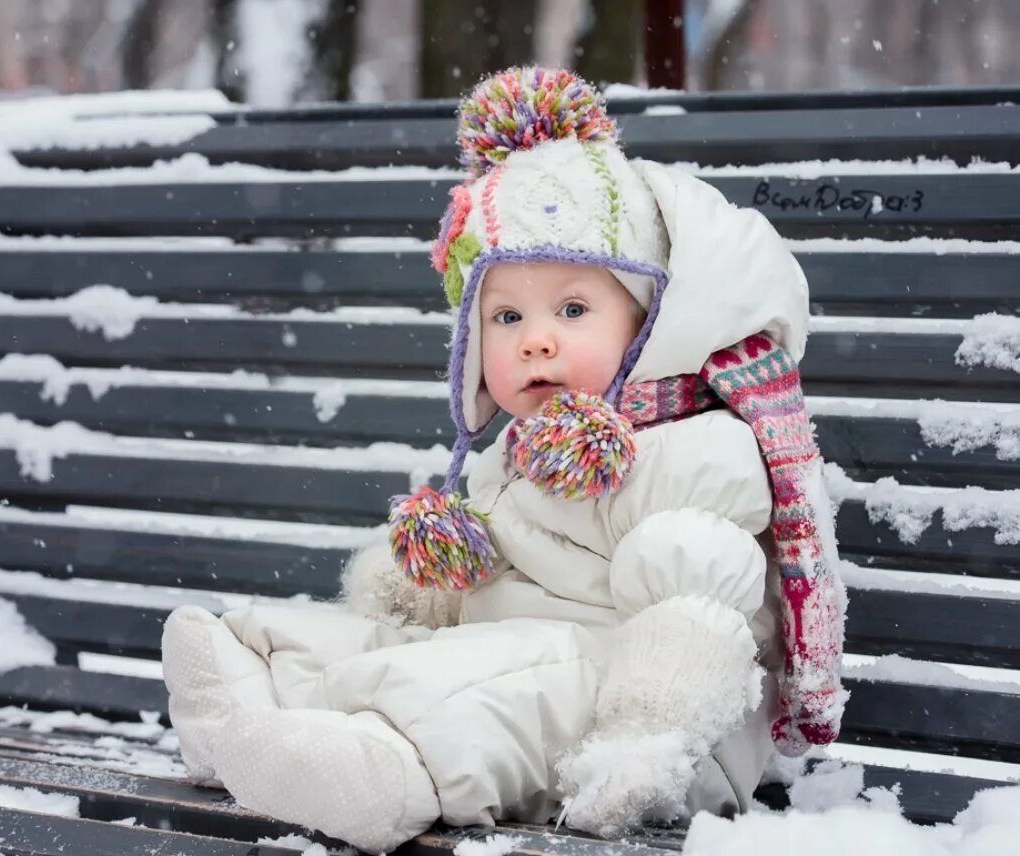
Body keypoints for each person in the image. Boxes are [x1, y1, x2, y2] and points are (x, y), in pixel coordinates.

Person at [159, 67, 847, 853]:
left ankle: (381, 775)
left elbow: (693, 615)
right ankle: (246, 710)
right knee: (373, 650)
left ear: (651, 323)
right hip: (513, 670)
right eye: (507, 314)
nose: (536, 338)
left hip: (643, 720)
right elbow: (477, 586)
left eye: (574, 309)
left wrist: (644, 743)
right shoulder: (516, 455)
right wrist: (418, 590)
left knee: (472, 687)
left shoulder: (693, 448)